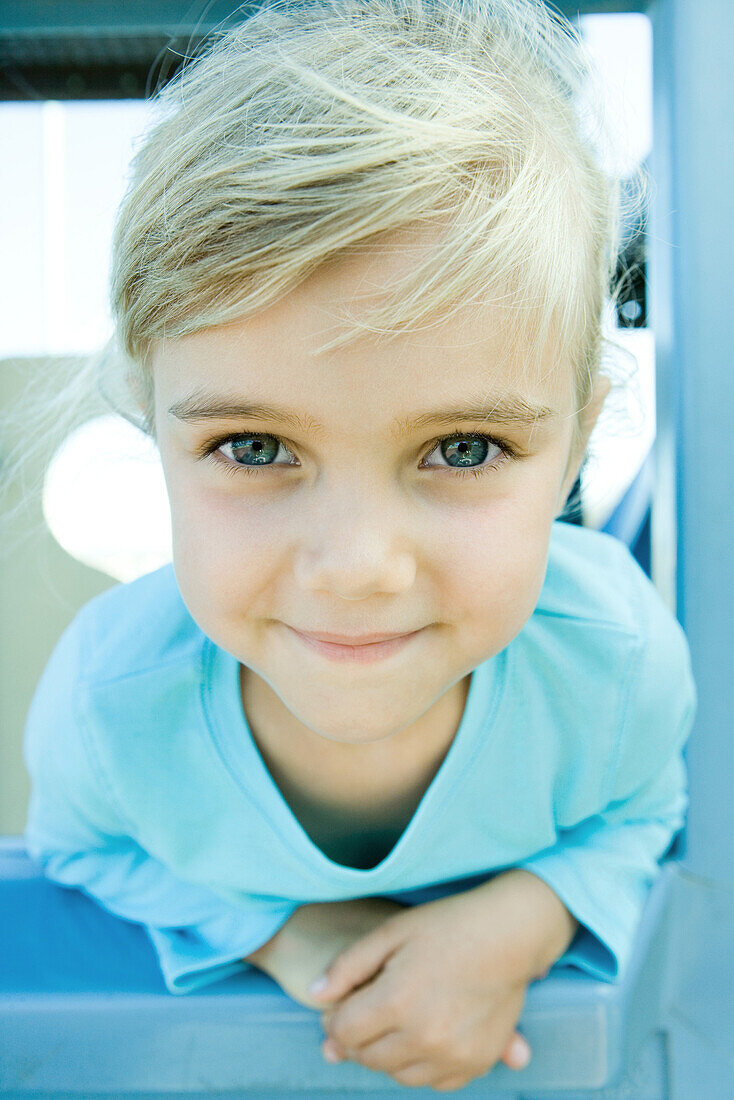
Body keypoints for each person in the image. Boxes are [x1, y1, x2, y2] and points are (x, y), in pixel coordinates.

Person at [21, 0, 697, 1090]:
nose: (355, 566)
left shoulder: (610, 662)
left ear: (575, 432)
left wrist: (519, 923)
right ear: (152, 416)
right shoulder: (112, 706)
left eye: (463, 447)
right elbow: (80, 849)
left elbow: (648, 813)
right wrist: (294, 931)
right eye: (254, 445)